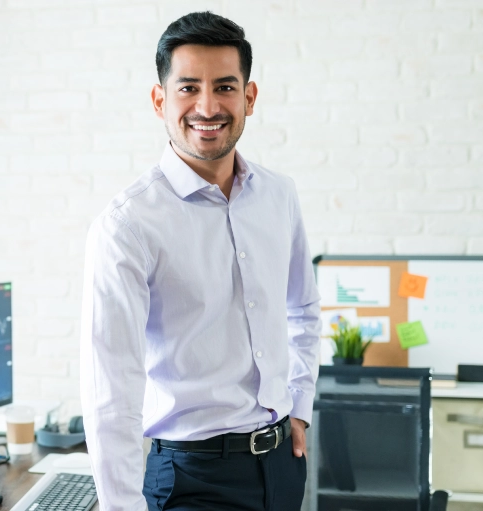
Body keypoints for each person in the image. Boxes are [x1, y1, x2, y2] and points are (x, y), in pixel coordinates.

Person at [79, 11, 321, 511]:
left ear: (249, 98)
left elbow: (302, 310)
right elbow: (111, 390)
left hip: (282, 466)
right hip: (192, 480)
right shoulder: (127, 225)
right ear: (160, 100)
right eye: (188, 88)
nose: (207, 106)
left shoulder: (280, 195)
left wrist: (299, 406)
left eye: (225, 87)